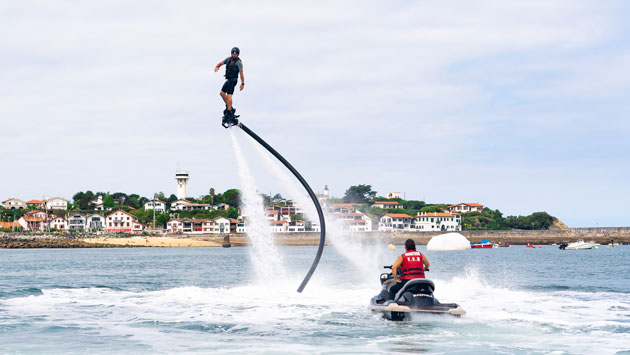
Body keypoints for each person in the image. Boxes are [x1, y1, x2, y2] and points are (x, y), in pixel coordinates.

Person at [214, 47, 244, 123]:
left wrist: (242, 83)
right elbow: (221, 63)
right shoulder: (228, 59)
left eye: (236, 54)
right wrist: (217, 67)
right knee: (222, 93)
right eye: (233, 54)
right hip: (228, 79)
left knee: (229, 95)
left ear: (238, 55)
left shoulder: (238, 63)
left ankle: (228, 111)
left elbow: (241, 74)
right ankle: (230, 108)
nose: (234, 55)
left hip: (233, 80)